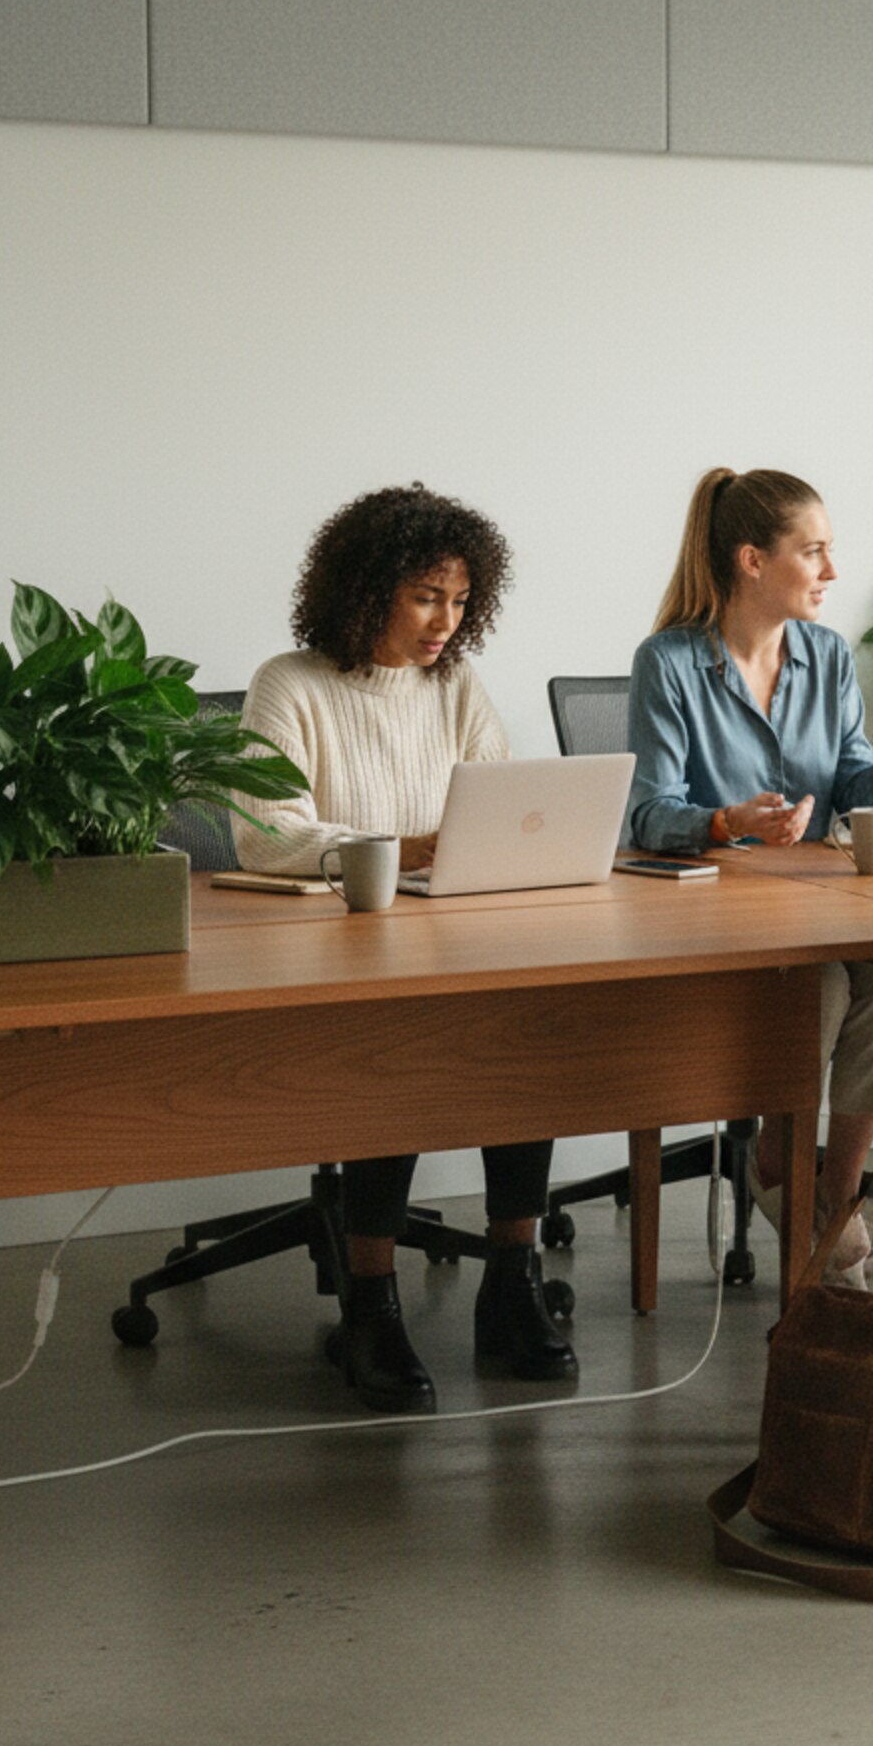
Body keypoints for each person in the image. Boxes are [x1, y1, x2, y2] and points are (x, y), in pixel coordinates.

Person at [236, 483, 576, 1413]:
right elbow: (265, 836)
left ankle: (512, 1283)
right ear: (369, 587)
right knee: (395, 1047)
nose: (446, 621)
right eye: (428, 596)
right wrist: (402, 847)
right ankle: (371, 1306)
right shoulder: (289, 684)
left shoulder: (456, 686)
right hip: (335, 945)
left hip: (452, 929)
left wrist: (467, 849)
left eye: (462, 601)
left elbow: (503, 809)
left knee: (527, 1029)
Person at [626, 469, 873, 1276]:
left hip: (824, 907)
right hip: (723, 916)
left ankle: (837, 1194)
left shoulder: (827, 655)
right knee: (823, 987)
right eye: (813, 551)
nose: (831, 570)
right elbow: (647, 814)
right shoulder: (670, 663)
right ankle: (784, 1168)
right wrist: (728, 822)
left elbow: (853, 792)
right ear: (753, 559)